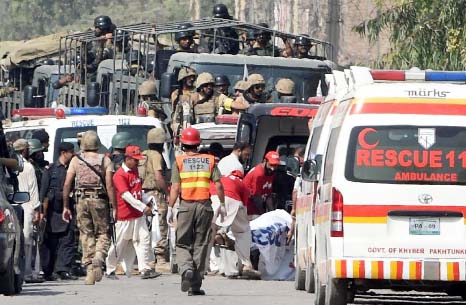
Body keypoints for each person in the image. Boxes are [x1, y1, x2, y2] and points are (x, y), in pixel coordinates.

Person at [167, 127, 226, 296]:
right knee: (201, 243)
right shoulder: (210, 160)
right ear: (198, 144)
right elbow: (219, 184)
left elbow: (176, 188)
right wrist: (222, 204)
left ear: (183, 144)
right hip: (204, 206)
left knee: (182, 242)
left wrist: (170, 207)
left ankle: (186, 269)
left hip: (186, 206)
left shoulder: (179, 161)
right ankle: (195, 286)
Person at [62, 130, 115, 285]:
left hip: (81, 200)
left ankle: (89, 269)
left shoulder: (75, 160)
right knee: (103, 233)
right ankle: (99, 257)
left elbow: (67, 184)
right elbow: (110, 185)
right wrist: (114, 205)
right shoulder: (105, 160)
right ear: (97, 144)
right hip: (99, 200)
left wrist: (66, 206)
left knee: (86, 234)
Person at [106, 145, 160, 279]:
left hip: (138, 215)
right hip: (125, 215)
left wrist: (148, 200)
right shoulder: (120, 175)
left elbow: (137, 192)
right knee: (119, 243)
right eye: (135, 160)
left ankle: (145, 269)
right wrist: (143, 207)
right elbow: (126, 195)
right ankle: (110, 269)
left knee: (144, 239)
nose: (137, 162)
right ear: (127, 158)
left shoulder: (134, 171)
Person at [40, 142, 78, 281]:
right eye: (71, 152)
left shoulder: (72, 168)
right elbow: (43, 191)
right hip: (52, 210)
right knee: (51, 241)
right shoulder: (50, 169)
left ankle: (63, 269)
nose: (73, 154)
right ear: (63, 152)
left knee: (68, 239)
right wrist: (41, 211)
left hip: (67, 208)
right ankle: (49, 270)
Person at [215, 169, 260, 278]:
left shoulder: (220, 178)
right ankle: (246, 265)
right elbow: (243, 206)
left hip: (214, 196)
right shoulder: (242, 183)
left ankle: (208, 265)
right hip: (233, 199)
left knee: (210, 231)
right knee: (242, 232)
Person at [13, 139, 43, 283]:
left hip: (11, 205)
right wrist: (37, 210)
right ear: (24, 150)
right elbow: (33, 190)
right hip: (27, 206)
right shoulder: (28, 167)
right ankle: (28, 273)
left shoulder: (9, 167)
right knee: (27, 241)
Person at [141, 128, 170, 271]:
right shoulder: (157, 155)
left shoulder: (143, 155)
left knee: (146, 226)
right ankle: (161, 260)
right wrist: (167, 192)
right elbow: (159, 176)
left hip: (143, 194)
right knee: (160, 225)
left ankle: (145, 259)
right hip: (155, 194)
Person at [243, 151, 280, 220]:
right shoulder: (259, 174)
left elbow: (268, 196)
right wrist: (263, 214)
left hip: (256, 206)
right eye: (271, 165)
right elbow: (256, 197)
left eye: (275, 165)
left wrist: (272, 214)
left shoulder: (270, 172)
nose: (273, 168)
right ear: (265, 161)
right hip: (248, 207)